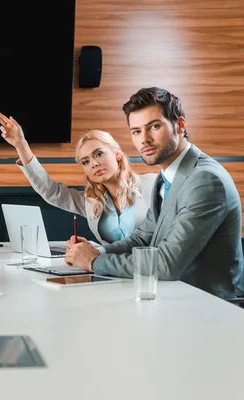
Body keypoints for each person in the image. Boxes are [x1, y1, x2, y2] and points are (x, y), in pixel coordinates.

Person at [64, 87, 244, 299]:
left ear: (180, 125)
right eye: (136, 131)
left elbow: (168, 264)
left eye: (154, 126)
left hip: (210, 306)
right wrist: (96, 251)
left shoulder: (205, 180)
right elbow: (143, 238)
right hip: (175, 297)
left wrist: (94, 262)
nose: (144, 139)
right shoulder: (165, 176)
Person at [0, 112, 157, 245]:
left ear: (118, 155)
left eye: (99, 154)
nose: (94, 163)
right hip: (113, 275)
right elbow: (51, 192)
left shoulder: (153, 185)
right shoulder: (91, 202)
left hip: (154, 276)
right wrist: (21, 145)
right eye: (85, 161)